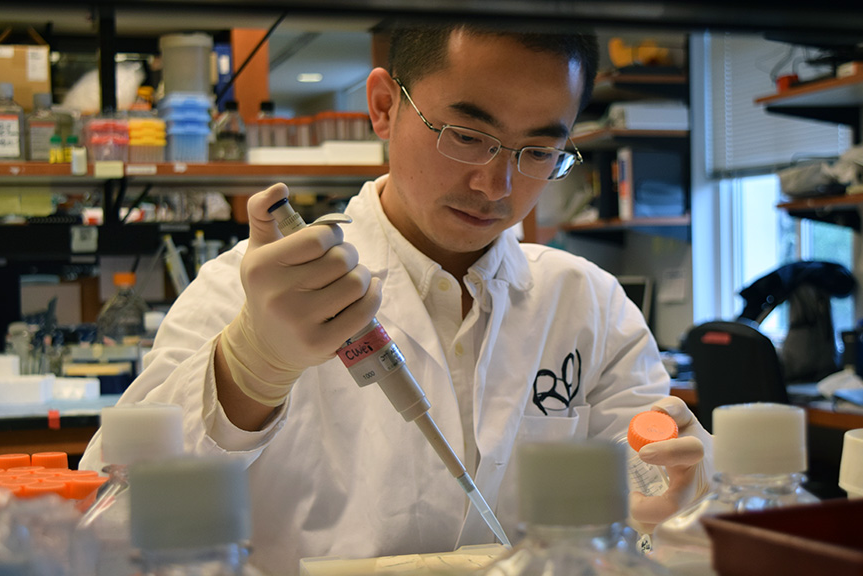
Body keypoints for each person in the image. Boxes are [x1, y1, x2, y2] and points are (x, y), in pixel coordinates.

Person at [80, 21, 713, 576]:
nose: (496, 184)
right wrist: (250, 372)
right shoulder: (243, 292)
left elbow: (660, 517)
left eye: (539, 152)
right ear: (384, 107)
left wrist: (671, 496)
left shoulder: (589, 306)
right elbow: (105, 527)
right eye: (467, 135)